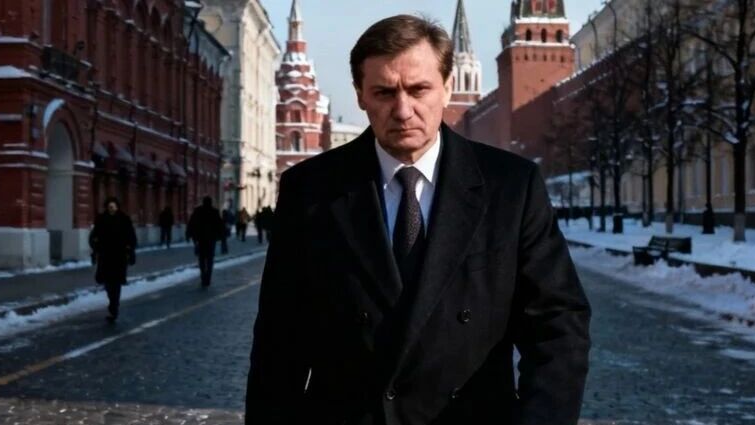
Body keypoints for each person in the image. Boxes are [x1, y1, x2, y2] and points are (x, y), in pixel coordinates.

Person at [246, 15, 591, 425]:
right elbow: (279, 341)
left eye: (418, 89)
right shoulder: (311, 190)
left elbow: (557, 325)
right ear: (360, 95)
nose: (403, 110)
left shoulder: (510, 186)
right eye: (384, 92)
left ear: (448, 87)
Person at [89, 197, 137, 323]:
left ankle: (114, 306)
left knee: (116, 282)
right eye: (109, 206)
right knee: (107, 282)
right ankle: (112, 301)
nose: (111, 209)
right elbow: (94, 236)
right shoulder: (101, 219)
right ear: (106, 207)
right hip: (105, 256)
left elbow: (131, 236)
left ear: (117, 207)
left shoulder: (124, 219)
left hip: (119, 256)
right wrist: (95, 250)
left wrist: (131, 251)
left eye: (113, 206)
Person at [186, 196, 224, 288]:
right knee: (210, 259)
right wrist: (221, 236)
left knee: (202, 258)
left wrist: (188, 234)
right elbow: (220, 225)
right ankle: (208, 277)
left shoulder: (198, 211)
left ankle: (203, 275)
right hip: (211, 239)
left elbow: (191, 223)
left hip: (200, 239)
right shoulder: (214, 212)